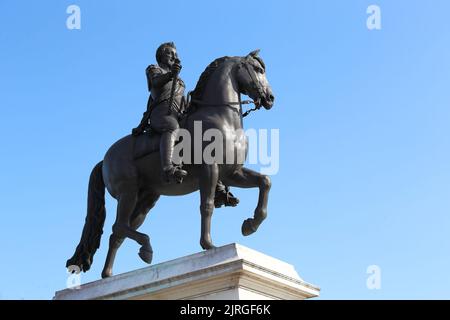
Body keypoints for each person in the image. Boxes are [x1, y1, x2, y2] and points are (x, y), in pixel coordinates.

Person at [132, 42, 239, 206]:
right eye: (171, 54)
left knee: (200, 136)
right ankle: (168, 168)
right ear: (162, 56)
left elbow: (181, 101)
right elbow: (155, 83)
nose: (175, 57)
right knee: (172, 127)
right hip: (161, 115)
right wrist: (170, 75)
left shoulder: (179, 81)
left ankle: (218, 187)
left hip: (178, 114)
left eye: (176, 55)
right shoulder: (154, 69)